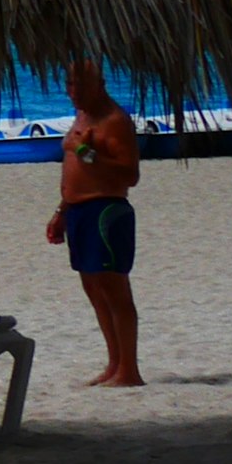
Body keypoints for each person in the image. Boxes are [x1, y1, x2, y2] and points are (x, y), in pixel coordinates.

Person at [47, 60, 144, 385]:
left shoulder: (114, 120)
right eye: (69, 84)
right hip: (78, 211)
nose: (72, 92)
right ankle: (114, 363)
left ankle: (129, 370)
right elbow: (78, 169)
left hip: (106, 211)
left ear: (99, 84)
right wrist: (62, 211)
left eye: (79, 85)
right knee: (93, 288)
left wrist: (84, 150)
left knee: (113, 288)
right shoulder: (83, 115)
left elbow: (129, 173)